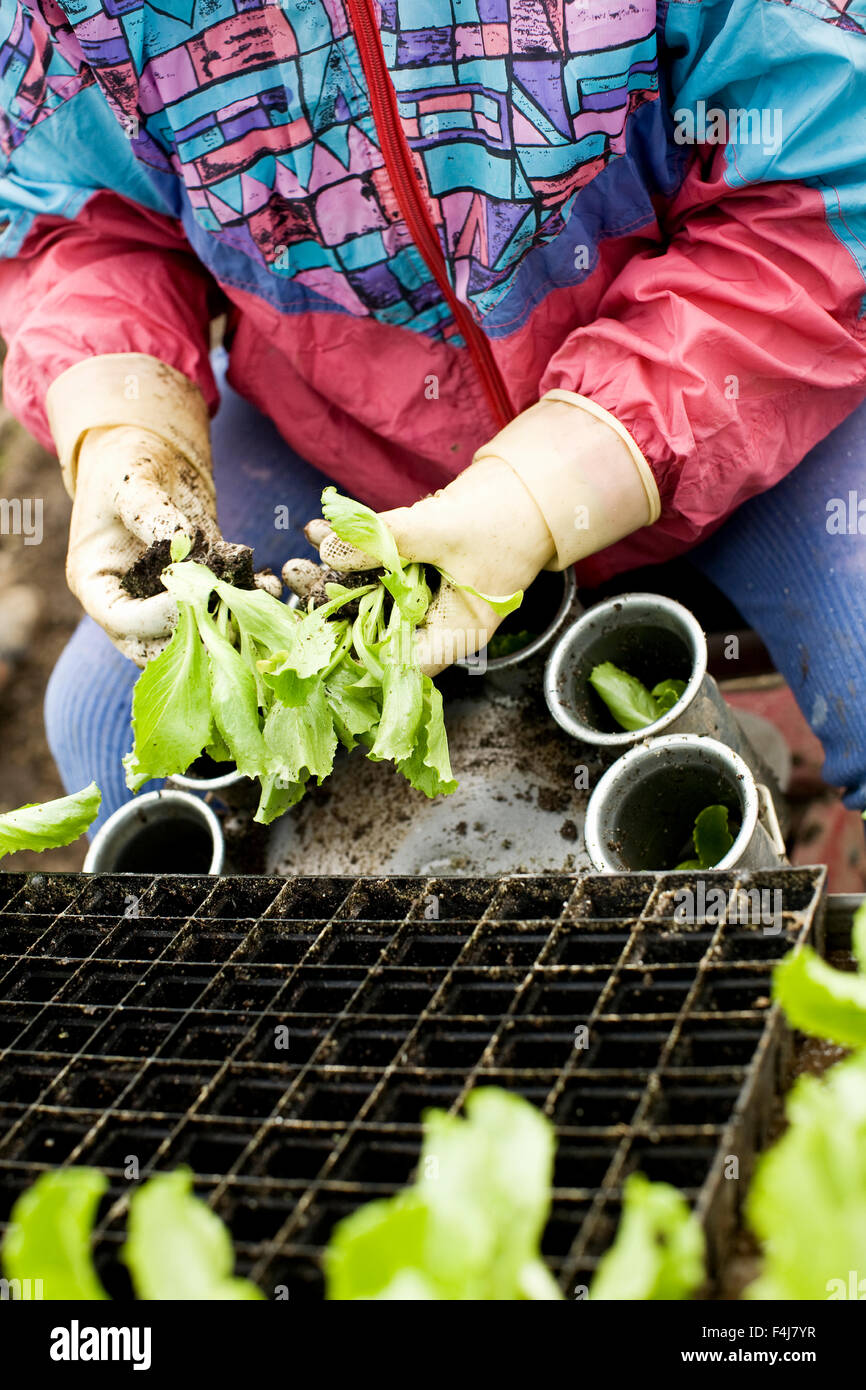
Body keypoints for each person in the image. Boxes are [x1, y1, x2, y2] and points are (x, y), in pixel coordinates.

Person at [0, 0, 864, 827]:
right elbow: (83, 213)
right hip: (355, 448)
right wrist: (123, 427)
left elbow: (822, 187)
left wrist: (553, 481)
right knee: (111, 727)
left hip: (741, 402)